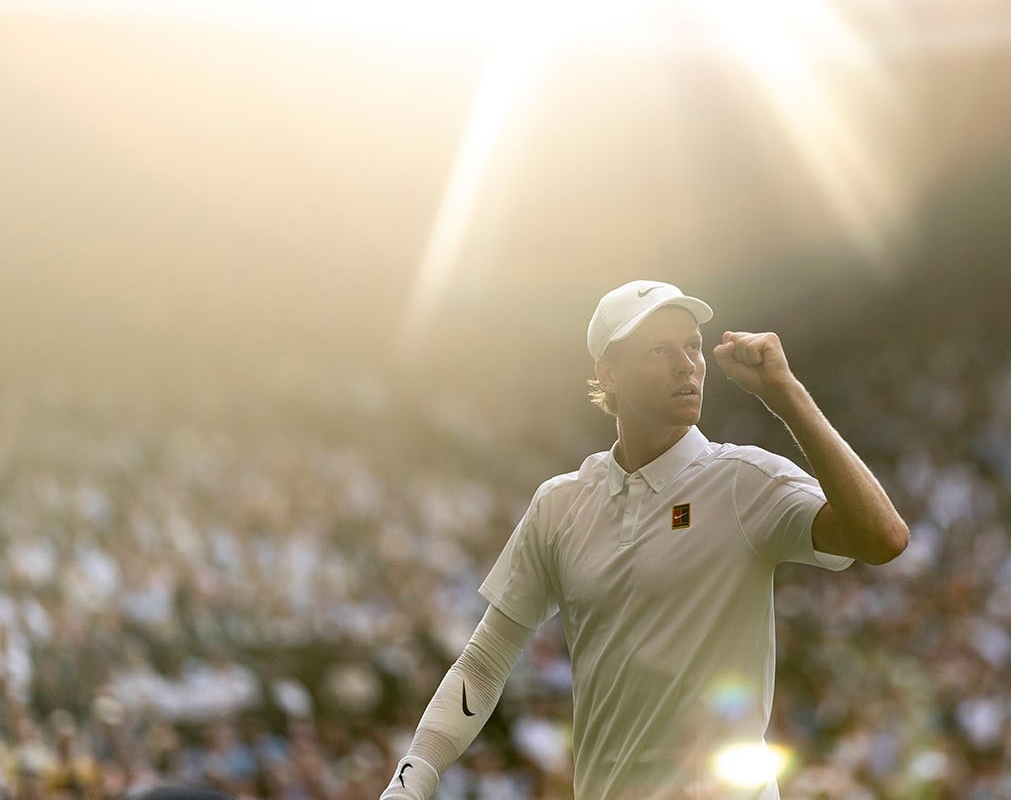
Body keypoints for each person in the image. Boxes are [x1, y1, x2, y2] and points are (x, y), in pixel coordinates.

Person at [381, 280, 909, 799]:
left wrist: (787, 396)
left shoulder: (745, 480)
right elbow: (484, 661)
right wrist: (411, 782)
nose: (687, 364)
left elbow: (882, 539)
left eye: (693, 347)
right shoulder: (560, 504)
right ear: (607, 373)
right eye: (660, 349)